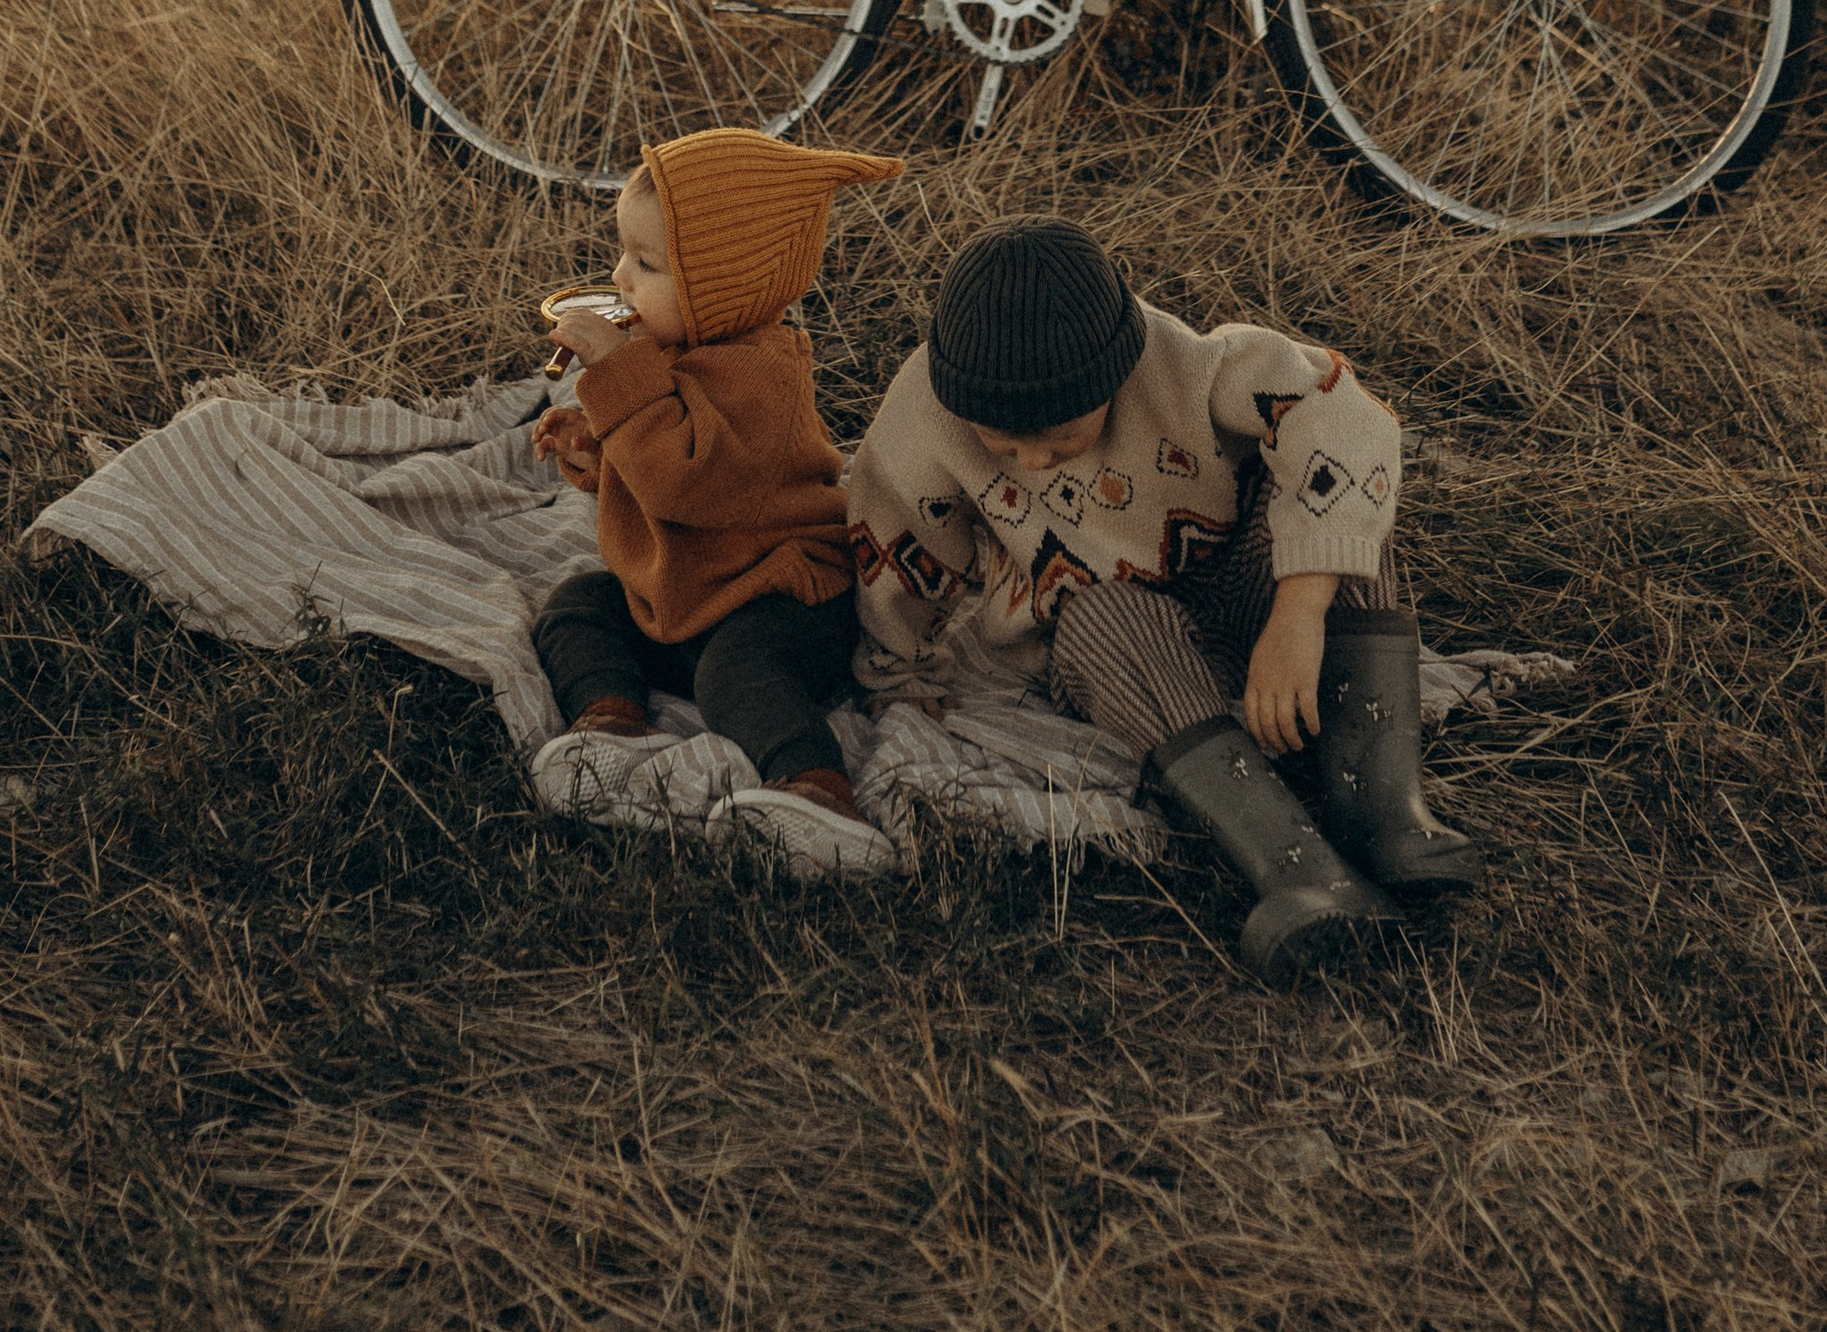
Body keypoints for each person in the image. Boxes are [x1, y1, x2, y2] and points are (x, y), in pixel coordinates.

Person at [842, 215, 1476, 979]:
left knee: (1337, 509)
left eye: (1060, 436)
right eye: (1003, 445)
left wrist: (1300, 612)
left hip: (1251, 606)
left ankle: (1382, 810)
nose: (1033, 459)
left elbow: (1344, 417)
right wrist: (903, 667)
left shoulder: (1188, 366)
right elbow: (894, 528)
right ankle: (1299, 868)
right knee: (1101, 618)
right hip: (1128, 657)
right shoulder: (927, 410)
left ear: (1116, 374)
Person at [531, 129, 901, 877]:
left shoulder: (762, 378)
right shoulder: (672, 350)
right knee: (577, 606)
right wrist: (595, 455)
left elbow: (683, 481)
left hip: (780, 594)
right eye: (624, 256)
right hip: (687, 593)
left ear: (722, 286)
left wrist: (617, 376)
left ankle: (818, 792)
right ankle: (613, 726)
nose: (620, 279)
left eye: (646, 265)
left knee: (736, 674)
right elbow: (648, 472)